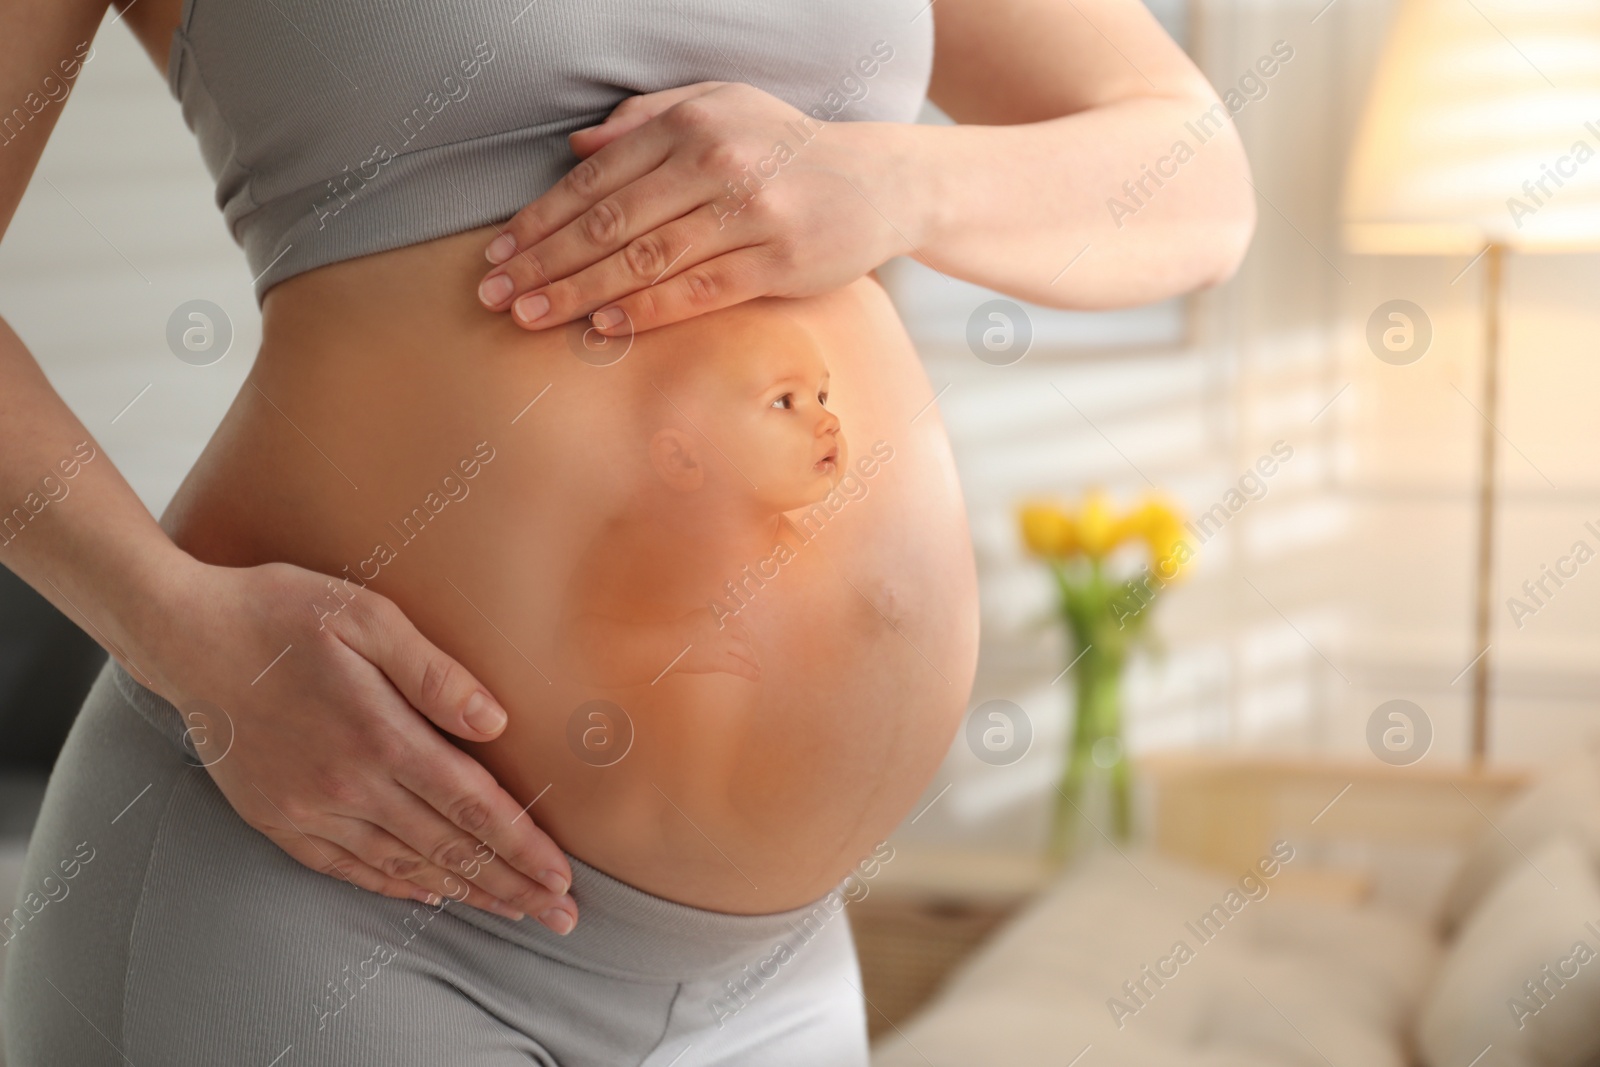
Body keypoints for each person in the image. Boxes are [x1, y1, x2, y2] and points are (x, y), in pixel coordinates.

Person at [0, 0, 1254, 1062]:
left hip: (771, 973)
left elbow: (1196, 181)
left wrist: (895, 177)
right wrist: (176, 628)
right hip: (318, 892)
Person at [556, 304, 842, 688]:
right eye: (783, 401)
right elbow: (572, 651)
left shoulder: (793, 548)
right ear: (683, 458)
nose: (831, 421)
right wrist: (676, 644)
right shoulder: (640, 543)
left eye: (822, 397)